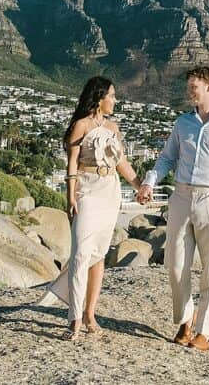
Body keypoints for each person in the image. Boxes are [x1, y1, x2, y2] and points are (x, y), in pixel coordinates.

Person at [136, 65, 209, 352]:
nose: (189, 91)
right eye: (189, 87)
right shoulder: (182, 123)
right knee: (175, 265)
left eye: (193, 87)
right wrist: (149, 182)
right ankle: (185, 319)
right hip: (181, 197)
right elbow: (166, 159)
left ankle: (204, 332)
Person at [40, 76, 143, 341]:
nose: (115, 100)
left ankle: (89, 314)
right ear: (99, 97)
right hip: (87, 189)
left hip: (110, 190)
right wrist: (70, 196)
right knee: (80, 255)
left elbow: (123, 163)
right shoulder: (80, 126)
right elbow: (72, 164)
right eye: (112, 95)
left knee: (98, 256)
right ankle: (73, 319)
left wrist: (140, 186)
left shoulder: (113, 127)